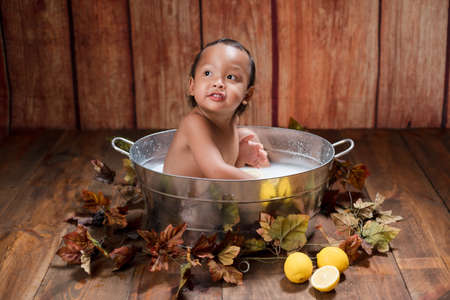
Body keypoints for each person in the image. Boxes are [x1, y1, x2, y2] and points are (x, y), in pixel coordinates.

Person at [163, 38, 270, 179]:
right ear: (192, 86)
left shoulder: (232, 121)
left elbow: (225, 167)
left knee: (248, 135)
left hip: (213, 194)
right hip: (181, 197)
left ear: (247, 95)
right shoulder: (194, 124)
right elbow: (217, 171)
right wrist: (264, 186)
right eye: (208, 73)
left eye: (231, 77)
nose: (218, 83)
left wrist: (243, 156)